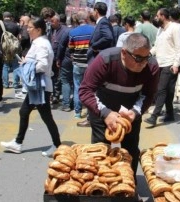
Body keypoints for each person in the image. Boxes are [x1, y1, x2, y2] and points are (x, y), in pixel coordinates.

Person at [79, 33, 160, 180]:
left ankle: (128, 186)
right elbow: (85, 90)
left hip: (130, 114)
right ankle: (101, 187)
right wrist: (105, 113)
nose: (143, 63)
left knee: (130, 151)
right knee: (101, 151)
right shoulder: (105, 60)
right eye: (138, 58)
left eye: (146, 57)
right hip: (102, 110)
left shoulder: (152, 66)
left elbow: (149, 95)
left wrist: (135, 112)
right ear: (124, 52)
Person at [0, 17, 61, 157]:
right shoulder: (39, 42)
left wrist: (27, 66)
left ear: (39, 30)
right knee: (24, 112)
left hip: (41, 86)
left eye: (30, 27)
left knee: (46, 117)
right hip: (38, 86)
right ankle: (18, 143)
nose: (27, 30)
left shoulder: (41, 44)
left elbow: (43, 65)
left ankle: (57, 145)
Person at [77, 1, 114, 127]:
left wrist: (94, 46)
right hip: (98, 60)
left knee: (92, 90)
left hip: (97, 61)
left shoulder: (103, 22)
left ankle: (91, 118)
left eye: (93, 10)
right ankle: (93, 117)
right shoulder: (102, 22)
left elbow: (108, 37)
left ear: (96, 11)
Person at [144, 8, 180, 126]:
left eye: (157, 16)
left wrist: (176, 64)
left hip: (170, 64)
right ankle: (170, 114)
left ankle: (154, 116)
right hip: (160, 63)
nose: (156, 18)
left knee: (161, 90)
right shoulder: (160, 30)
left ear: (163, 16)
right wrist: (148, 53)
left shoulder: (175, 28)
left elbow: (179, 48)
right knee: (169, 92)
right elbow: (156, 46)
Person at [68, 11, 95, 119]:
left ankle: (77, 112)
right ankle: (89, 112)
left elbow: (70, 49)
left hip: (78, 63)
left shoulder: (73, 32)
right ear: (87, 18)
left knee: (77, 87)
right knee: (90, 89)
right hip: (90, 64)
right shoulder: (93, 30)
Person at [1, 11, 20, 89]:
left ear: (3, 17)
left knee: (5, 66)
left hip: (4, 48)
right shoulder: (15, 25)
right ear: (11, 17)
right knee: (16, 65)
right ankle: (15, 84)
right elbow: (19, 37)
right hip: (14, 48)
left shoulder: (0, 25)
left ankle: (5, 84)